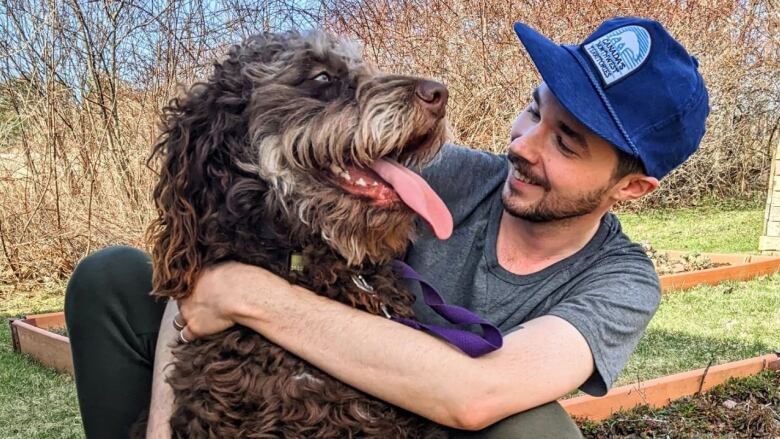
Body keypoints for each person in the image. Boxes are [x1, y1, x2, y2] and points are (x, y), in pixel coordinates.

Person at [64, 16, 709, 438]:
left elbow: (479, 393)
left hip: (428, 420)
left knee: (535, 430)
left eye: (566, 144)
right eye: (534, 111)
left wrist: (248, 296)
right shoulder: (444, 178)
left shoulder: (622, 280)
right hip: (282, 382)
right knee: (112, 278)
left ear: (632, 188)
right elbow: (207, 271)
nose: (524, 146)